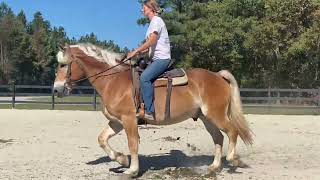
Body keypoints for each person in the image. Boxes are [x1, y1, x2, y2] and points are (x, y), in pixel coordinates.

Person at [126, 0, 171, 121]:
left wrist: (135, 51)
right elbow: (152, 46)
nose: (142, 10)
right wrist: (140, 52)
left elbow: (152, 41)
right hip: (156, 58)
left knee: (145, 78)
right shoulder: (153, 23)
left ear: (151, 9)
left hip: (162, 59)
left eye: (144, 8)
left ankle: (149, 111)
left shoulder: (156, 21)